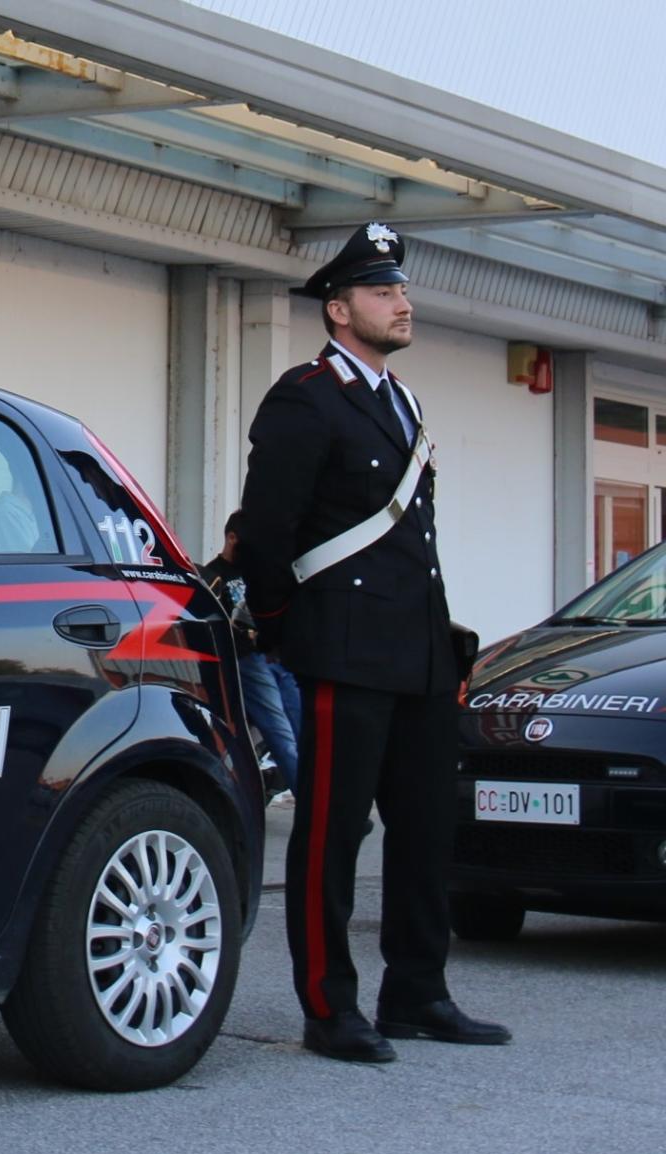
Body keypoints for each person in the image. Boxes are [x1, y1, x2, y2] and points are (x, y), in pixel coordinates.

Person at [235, 222, 510, 1064]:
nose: (403, 302)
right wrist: (286, 633)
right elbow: (267, 534)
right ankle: (331, 1005)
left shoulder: (403, 401)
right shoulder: (305, 396)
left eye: (402, 289)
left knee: (425, 829)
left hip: (419, 652)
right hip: (343, 651)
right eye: (384, 291)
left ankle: (418, 991)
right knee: (331, 832)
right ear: (339, 307)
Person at [201, 510, 299, 798]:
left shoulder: (257, 572)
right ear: (232, 538)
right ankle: (314, 805)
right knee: (282, 735)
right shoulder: (213, 576)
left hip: (277, 657)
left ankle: (325, 801)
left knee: (308, 731)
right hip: (246, 660)